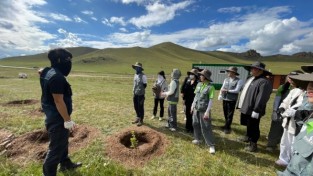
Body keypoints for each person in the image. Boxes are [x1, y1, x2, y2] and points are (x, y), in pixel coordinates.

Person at [39, 48, 82, 176]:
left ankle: (65, 164)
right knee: (55, 149)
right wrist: (67, 120)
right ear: (59, 60)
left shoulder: (47, 72)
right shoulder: (57, 77)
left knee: (62, 142)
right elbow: (58, 101)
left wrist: (41, 71)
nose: (69, 63)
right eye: (67, 60)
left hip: (53, 114)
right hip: (58, 118)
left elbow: (40, 70)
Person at [277, 73, 313, 176]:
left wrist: (295, 113)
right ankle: (283, 158)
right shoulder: (310, 121)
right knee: (286, 141)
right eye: (309, 83)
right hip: (290, 122)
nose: (310, 87)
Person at [237, 61, 272, 152]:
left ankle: (253, 144)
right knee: (248, 124)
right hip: (247, 107)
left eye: (254, 68)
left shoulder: (264, 82)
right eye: (251, 68)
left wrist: (257, 110)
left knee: (254, 126)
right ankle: (247, 136)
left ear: (261, 70)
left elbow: (262, 97)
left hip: (254, 109)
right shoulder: (252, 79)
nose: (252, 70)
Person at [266, 71, 302, 152]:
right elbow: (277, 99)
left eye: (293, 77)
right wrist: (275, 111)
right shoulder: (283, 87)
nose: (290, 79)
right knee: (275, 128)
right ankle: (271, 144)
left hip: (293, 114)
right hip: (281, 111)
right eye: (289, 77)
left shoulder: (301, 89)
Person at [275, 71, 305, 167]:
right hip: (287, 122)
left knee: (293, 143)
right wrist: (282, 107)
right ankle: (283, 159)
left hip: (296, 123)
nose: (291, 81)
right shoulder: (294, 90)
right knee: (284, 141)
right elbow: (286, 101)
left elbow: (298, 106)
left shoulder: (305, 93)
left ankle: (292, 162)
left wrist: (289, 112)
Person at [191, 69, 216, 154]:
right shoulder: (198, 84)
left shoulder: (211, 87)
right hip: (196, 109)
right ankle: (198, 139)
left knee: (206, 127)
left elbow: (211, 100)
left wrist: (207, 112)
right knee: (195, 124)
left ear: (205, 77)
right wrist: (192, 105)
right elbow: (196, 97)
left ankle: (211, 145)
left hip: (204, 110)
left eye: (201, 75)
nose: (200, 76)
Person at [218, 66, 243, 134]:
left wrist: (227, 90)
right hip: (225, 98)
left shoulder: (239, 80)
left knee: (230, 114)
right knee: (225, 113)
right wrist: (220, 95)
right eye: (228, 71)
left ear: (234, 73)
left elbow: (237, 90)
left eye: (229, 71)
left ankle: (227, 128)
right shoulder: (226, 79)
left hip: (232, 100)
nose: (228, 73)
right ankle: (226, 125)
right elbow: (222, 87)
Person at [181, 68, 199, 133]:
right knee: (187, 114)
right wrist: (183, 99)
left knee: (193, 115)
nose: (191, 75)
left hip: (194, 101)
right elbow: (184, 89)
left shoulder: (198, 83)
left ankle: (192, 128)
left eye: (192, 74)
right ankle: (187, 127)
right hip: (187, 100)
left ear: (195, 75)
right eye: (190, 74)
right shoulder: (188, 80)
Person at [131, 62, 147, 126]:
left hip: (140, 94)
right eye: (136, 67)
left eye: (138, 68)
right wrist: (134, 90)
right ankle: (137, 117)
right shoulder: (135, 75)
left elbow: (145, 85)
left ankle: (141, 120)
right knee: (136, 106)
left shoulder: (143, 75)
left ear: (140, 69)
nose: (137, 69)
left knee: (140, 107)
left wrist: (140, 90)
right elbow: (134, 84)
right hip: (135, 93)